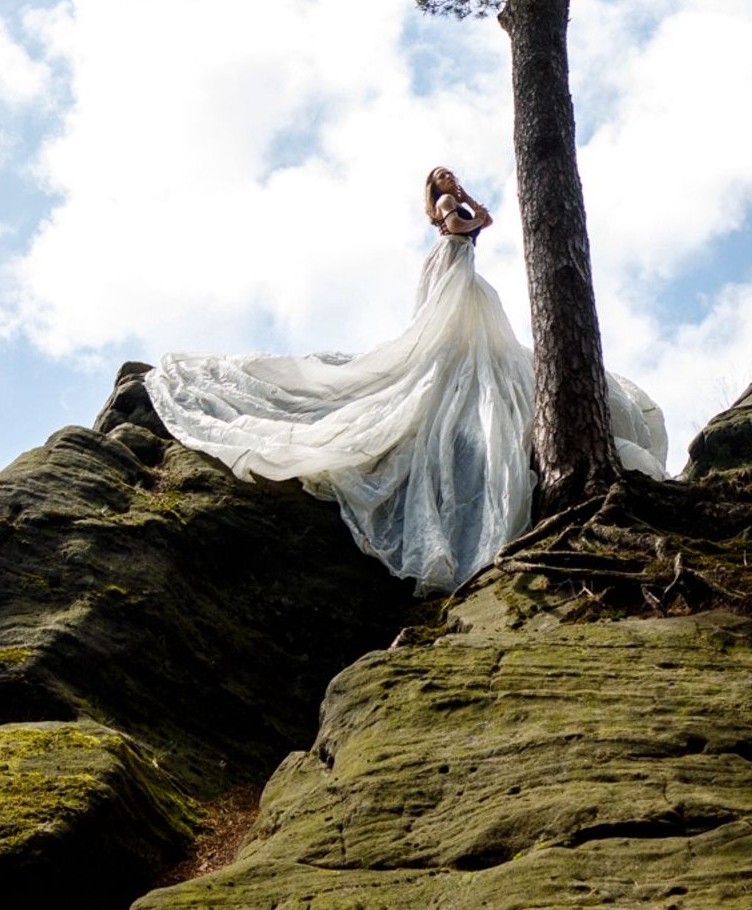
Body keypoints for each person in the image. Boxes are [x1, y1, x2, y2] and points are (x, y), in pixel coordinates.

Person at [145, 167, 667, 593]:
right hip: (453, 271)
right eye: (439, 183)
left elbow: (484, 218)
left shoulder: (454, 206)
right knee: (448, 368)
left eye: (449, 180)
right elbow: (471, 225)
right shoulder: (446, 213)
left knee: (480, 364)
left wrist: (465, 196)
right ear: (433, 196)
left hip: (463, 279)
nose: (446, 188)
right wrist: (455, 202)